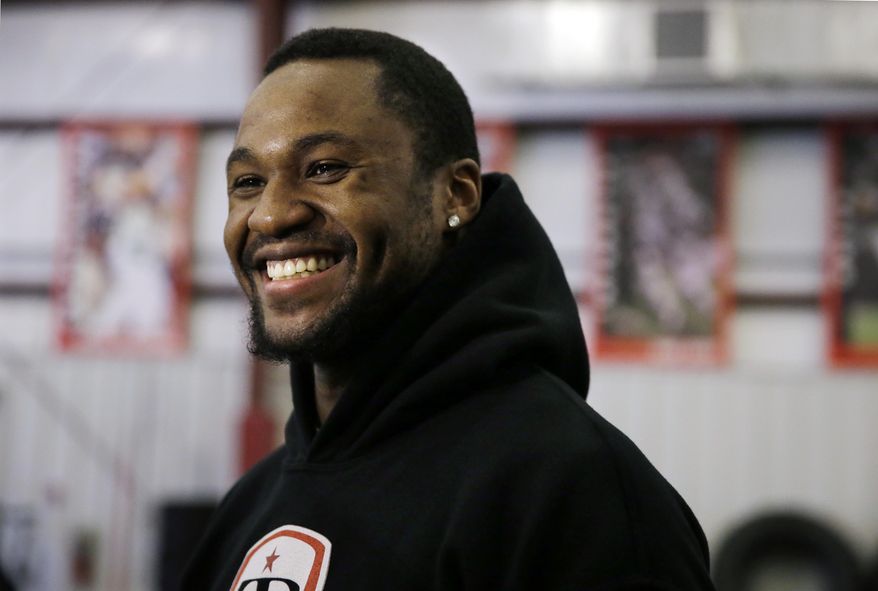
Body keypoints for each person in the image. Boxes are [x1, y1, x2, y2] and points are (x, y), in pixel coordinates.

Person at [182, 28, 715, 591]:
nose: (268, 216)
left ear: (455, 196)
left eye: (324, 168)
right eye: (246, 182)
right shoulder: (249, 510)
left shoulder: (573, 492)